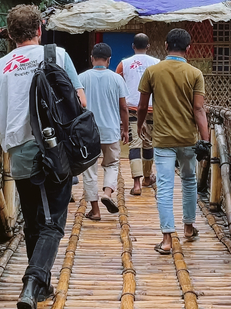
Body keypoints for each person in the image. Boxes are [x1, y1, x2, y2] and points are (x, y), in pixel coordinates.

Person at [0, 4, 86, 309]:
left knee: (33, 223)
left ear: (9, 35)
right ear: (39, 29)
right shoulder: (55, 55)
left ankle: (38, 286)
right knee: (53, 224)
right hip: (55, 150)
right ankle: (32, 285)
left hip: (19, 155)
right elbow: (80, 103)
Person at [137, 28, 210, 255]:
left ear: (166, 46)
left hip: (163, 139)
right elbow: (199, 108)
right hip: (188, 139)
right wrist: (205, 140)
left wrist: (140, 125)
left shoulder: (152, 71)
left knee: (166, 186)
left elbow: (142, 106)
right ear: (188, 49)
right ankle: (188, 227)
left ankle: (167, 239)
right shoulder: (195, 73)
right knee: (188, 182)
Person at [79, 43, 128, 221]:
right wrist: (125, 129)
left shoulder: (81, 78)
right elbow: (123, 107)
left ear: (92, 58)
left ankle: (95, 210)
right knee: (112, 164)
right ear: (109, 60)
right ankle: (107, 193)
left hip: (88, 132)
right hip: (111, 130)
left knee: (89, 170)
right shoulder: (117, 79)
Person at [116, 33, 160, 195]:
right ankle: (147, 177)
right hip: (151, 109)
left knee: (135, 144)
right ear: (148, 47)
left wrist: (120, 118)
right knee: (148, 144)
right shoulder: (157, 64)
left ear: (133, 46)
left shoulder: (123, 65)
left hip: (132, 108)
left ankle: (136, 184)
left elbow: (119, 89)